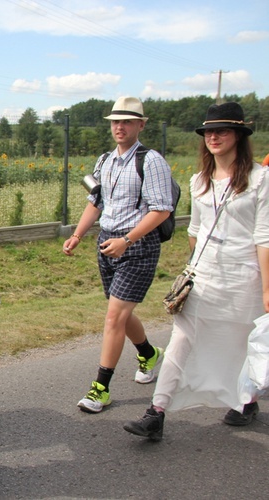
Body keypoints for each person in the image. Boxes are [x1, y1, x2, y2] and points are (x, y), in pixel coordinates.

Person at [124, 102, 269, 440]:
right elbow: (195, 232)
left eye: (222, 131)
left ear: (239, 136)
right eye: (208, 132)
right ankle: (155, 413)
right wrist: (193, 271)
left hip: (245, 276)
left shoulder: (261, 180)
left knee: (241, 343)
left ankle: (246, 400)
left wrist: (266, 288)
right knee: (181, 340)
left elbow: (264, 236)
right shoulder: (199, 180)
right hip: (204, 277)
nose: (214, 137)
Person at [63, 96, 173, 413]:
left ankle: (101, 389)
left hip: (138, 245)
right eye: (115, 121)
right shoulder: (105, 161)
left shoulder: (151, 161)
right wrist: (77, 234)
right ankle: (149, 353)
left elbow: (162, 210)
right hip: (108, 243)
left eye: (127, 121)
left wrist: (127, 239)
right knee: (120, 314)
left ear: (141, 124)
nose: (119, 127)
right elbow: (96, 202)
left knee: (113, 317)